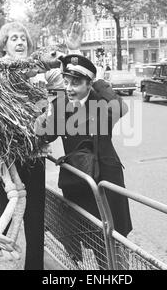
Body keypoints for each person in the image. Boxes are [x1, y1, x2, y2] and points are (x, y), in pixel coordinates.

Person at [0, 21, 83, 270]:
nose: (20, 42)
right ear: (4, 45)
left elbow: (73, 80)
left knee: (35, 222)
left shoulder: (42, 72)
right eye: (14, 38)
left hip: (34, 157)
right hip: (4, 158)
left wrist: (74, 51)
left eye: (23, 38)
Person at [38, 54, 133, 268]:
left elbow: (121, 108)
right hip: (78, 183)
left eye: (77, 83)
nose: (70, 88)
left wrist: (99, 81)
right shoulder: (61, 104)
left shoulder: (101, 102)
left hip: (106, 182)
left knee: (113, 242)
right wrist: (43, 120)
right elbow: (47, 134)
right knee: (88, 239)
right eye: (67, 82)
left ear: (89, 84)